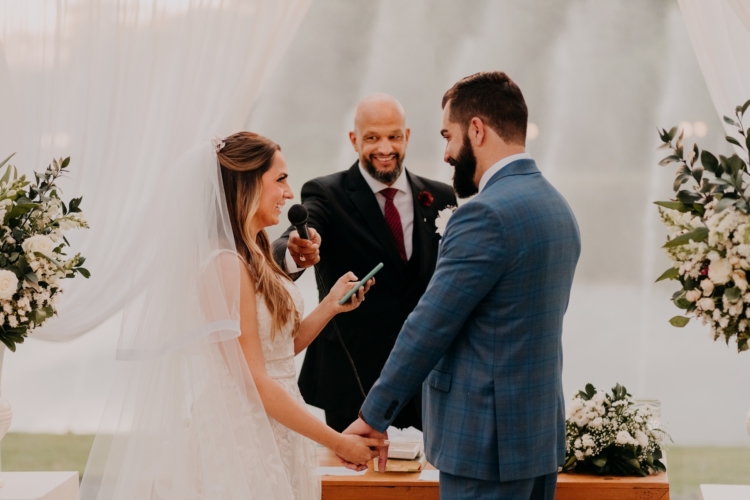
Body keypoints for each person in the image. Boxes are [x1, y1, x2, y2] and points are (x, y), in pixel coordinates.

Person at [80, 132, 384, 500]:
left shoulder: (253, 254)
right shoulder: (223, 264)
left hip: (277, 426)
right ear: (247, 183)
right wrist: (336, 441)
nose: (289, 194)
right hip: (244, 436)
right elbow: (254, 379)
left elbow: (278, 352)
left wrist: (331, 305)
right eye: (281, 180)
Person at [344, 72, 581, 499]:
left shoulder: (485, 215)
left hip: (484, 446)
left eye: (448, 136)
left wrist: (374, 414)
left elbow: (429, 325)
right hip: (537, 438)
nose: (448, 153)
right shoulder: (557, 206)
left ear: (476, 129)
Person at [272, 93, 457, 432]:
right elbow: (301, 230)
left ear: (407, 137)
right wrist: (296, 250)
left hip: (426, 379)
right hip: (349, 380)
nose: (384, 148)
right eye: (372, 138)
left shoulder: (442, 197)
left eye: (393, 136)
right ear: (354, 140)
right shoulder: (326, 193)